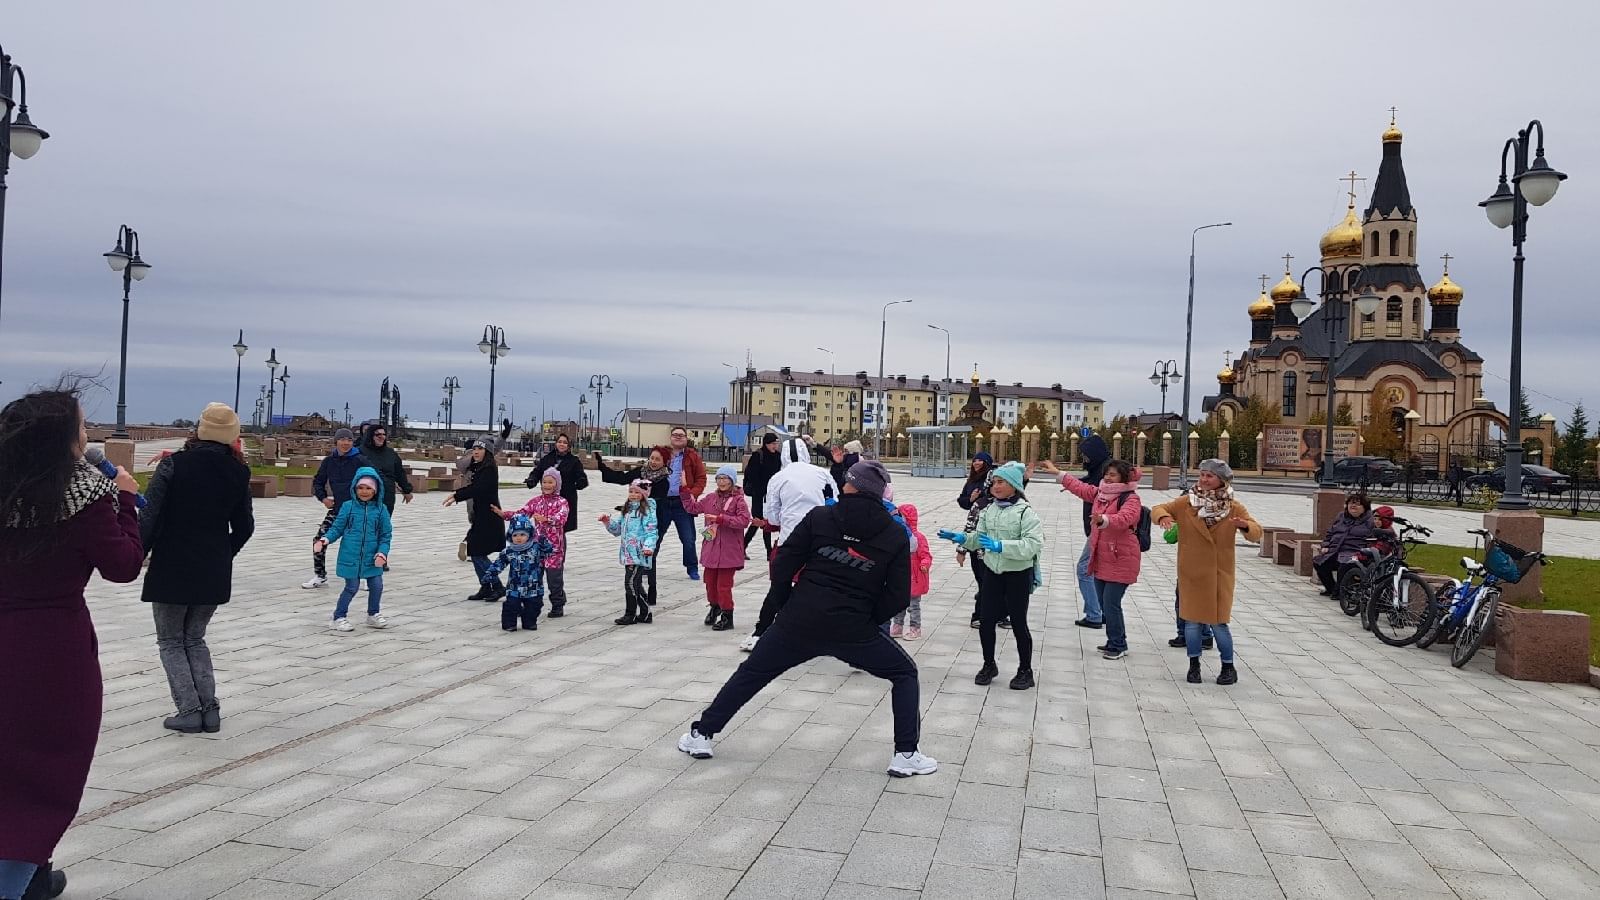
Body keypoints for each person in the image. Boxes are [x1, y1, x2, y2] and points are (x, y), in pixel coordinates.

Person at [679, 460, 938, 778]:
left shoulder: (821, 517)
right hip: (852, 628)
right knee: (905, 673)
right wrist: (865, 621)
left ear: (849, 486)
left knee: (752, 673)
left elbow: (784, 562)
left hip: (799, 620)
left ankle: (701, 735)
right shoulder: (893, 534)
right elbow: (898, 595)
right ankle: (905, 754)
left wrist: (787, 604)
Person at [0, 388, 144, 900]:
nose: (88, 437)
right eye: (83, 428)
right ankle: (17, 879)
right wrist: (126, 499)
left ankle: (35, 876)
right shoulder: (84, 494)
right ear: (61, 439)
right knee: (44, 775)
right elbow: (124, 566)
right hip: (52, 653)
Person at [137, 403, 254, 734]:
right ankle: (210, 709)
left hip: (172, 566)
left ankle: (189, 710)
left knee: (171, 640)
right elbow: (244, 527)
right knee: (195, 638)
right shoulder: (238, 473)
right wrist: (223, 554)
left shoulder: (173, 466)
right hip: (213, 570)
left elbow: (150, 518)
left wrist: (136, 554)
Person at [1150, 459, 1263, 686]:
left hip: (1219, 574)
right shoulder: (1186, 503)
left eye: (1209, 476)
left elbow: (1256, 533)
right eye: (1201, 475)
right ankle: (1194, 666)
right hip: (1192, 572)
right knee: (1191, 623)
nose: (1203, 480)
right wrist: (1163, 517)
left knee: (1219, 623)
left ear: (1222, 480)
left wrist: (1244, 526)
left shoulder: (1234, 506)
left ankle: (1228, 667)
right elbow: (1158, 508)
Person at [939, 461, 1043, 690]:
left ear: (1014, 485)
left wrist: (1001, 546)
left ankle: (1025, 670)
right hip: (992, 573)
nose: (995, 486)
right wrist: (961, 539)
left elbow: (1033, 545)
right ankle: (989, 665)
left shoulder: (1025, 512)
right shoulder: (989, 510)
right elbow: (980, 537)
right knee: (986, 621)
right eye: (994, 481)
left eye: (1001, 482)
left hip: (1017, 574)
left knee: (1018, 622)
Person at [743, 435, 834, 652]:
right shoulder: (823, 474)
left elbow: (772, 517)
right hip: (820, 541)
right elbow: (835, 504)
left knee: (779, 587)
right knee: (822, 587)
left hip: (790, 541)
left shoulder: (778, 478)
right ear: (806, 452)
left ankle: (761, 631)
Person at [1053, 459, 1143, 661]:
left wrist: (1105, 520)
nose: (1108, 478)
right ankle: (1115, 640)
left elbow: (1126, 518)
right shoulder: (1101, 494)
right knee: (1104, 602)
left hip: (1121, 558)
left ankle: (1118, 644)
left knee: (1111, 603)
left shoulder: (1131, 498)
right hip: (1102, 556)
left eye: (1113, 475)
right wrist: (1059, 474)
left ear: (1123, 477)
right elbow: (1082, 489)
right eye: (1107, 474)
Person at [314, 468, 393, 632]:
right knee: (352, 587)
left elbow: (385, 535)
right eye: (360, 487)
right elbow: (337, 528)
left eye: (368, 488)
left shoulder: (380, 509)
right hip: (351, 555)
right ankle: (339, 616)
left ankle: (373, 614)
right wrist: (325, 539)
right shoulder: (348, 507)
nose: (364, 492)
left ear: (376, 490)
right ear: (355, 488)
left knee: (377, 585)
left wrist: (382, 553)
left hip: (372, 557)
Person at [595, 446, 671, 604]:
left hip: (655, 518)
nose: (654, 462)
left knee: (651, 555)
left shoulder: (664, 479)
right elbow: (622, 478)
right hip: (637, 515)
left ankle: (651, 592)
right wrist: (603, 467)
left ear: (665, 462)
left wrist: (637, 504)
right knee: (638, 561)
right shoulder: (640, 472)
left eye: (658, 459)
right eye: (652, 458)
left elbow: (656, 501)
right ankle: (642, 596)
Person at [681, 464, 752, 631]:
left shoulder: (738, 500)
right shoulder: (711, 498)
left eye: (725, 478)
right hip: (711, 550)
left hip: (729, 551)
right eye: (719, 478)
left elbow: (744, 520)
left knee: (724, 585)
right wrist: (684, 489)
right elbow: (692, 508)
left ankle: (728, 615)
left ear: (733, 481)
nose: (722, 481)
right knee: (710, 583)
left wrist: (721, 519)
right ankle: (715, 607)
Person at [493, 470, 571, 615]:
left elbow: (562, 518)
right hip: (536, 548)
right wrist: (504, 514)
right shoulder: (536, 502)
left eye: (550, 482)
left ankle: (557, 604)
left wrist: (547, 520)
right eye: (544, 482)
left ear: (557, 484)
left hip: (554, 548)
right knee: (534, 578)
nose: (546, 485)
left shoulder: (562, 502)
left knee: (554, 579)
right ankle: (534, 604)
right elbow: (521, 514)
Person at [302, 428, 368, 589]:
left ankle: (365, 576)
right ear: (336, 441)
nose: (346, 443)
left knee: (361, 542)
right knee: (320, 539)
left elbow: (373, 480)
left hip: (358, 508)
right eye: (342, 439)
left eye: (349, 440)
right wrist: (323, 498)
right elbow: (318, 481)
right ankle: (320, 575)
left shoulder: (360, 460)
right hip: (338, 509)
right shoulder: (329, 461)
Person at [444, 440, 506, 601]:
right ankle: (486, 587)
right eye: (474, 449)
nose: (476, 452)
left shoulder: (489, 469)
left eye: (480, 449)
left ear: (487, 452)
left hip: (490, 516)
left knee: (478, 552)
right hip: (481, 515)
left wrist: (457, 495)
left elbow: (479, 489)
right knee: (474, 550)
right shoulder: (479, 467)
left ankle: (497, 586)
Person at [481, 513, 555, 632]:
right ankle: (509, 624)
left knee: (534, 606)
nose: (519, 538)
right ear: (510, 536)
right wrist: (490, 574)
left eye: (522, 534)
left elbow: (550, 551)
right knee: (511, 606)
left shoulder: (536, 547)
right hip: (514, 586)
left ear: (529, 535)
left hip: (533, 586)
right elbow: (499, 563)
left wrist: (543, 541)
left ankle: (529, 622)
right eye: (515, 535)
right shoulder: (509, 551)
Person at [601, 479, 658, 625]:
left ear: (644, 494)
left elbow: (651, 532)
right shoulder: (627, 510)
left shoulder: (647, 510)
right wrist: (607, 522)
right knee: (636, 584)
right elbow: (617, 530)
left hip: (639, 553)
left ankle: (630, 613)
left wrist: (648, 547)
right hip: (628, 553)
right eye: (631, 492)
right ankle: (645, 613)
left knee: (630, 583)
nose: (633, 495)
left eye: (637, 492)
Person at [658, 426, 706, 581]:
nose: (678, 437)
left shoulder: (692, 456)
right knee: (654, 535)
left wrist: (693, 494)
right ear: (670, 437)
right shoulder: (662, 454)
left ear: (686, 439)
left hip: (683, 503)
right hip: (663, 501)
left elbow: (701, 478)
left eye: (681, 435)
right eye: (675, 435)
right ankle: (647, 565)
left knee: (688, 538)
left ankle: (692, 568)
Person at [955, 451, 996, 629]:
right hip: (978, 548)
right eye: (975, 459)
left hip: (996, 548)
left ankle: (998, 614)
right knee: (985, 582)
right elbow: (969, 525)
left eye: (980, 460)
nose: (977, 463)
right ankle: (979, 616)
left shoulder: (1007, 505)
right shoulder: (976, 496)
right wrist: (961, 550)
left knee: (994, 583)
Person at [1313, 493, 1374, 596]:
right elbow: (1330, 532)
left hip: (1355, 553)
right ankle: (1331, 588)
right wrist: (1326, 545)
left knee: (1344, 565)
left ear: (1365, 508)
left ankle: (1340, 592)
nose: (1353, 506)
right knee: (1319, 562)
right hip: (1336, 551)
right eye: (1350, 503)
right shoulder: (1342, 516)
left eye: (1357, 504)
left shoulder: (1370, 521)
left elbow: (1377, 538)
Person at [528, 433, 588, 536]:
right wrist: (532, 479)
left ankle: (560, 551)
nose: (562, 444)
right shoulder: (547, 458)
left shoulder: (574, 461)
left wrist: (581, 482)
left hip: (565, 498)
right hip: (548, 500)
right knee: (545, 527)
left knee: (560, 529)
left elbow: (581, 476)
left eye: (565, 442)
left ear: (569, 446)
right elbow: (537, 471)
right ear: (556, 444)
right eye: (559, 442)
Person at [890, 503, 932, 640]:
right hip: (901, 577)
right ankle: (897, 626)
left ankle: (915, 628)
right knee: (898, 603)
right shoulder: (899, 535)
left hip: (915, 578)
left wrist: (925, 564)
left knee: (913, 606)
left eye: (901, 516)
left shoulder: (918, 538)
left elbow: (926, 555)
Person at [359, 424, 414, 518]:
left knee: (384, 523)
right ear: (370, 436)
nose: (381, 437)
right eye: (378, 435)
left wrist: (406, 490)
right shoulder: (360, 452)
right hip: (366, 494)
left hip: (387, 494)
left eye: (384, 434)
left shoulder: (391, 454)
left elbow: (399, 473)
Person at [741, 433, 782, 558]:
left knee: (767, 521)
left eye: (776, 443)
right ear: (766, 444)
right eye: (773, 444)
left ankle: (768, 552)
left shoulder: (778, 456)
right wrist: (760, 489)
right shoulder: (758, 455)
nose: (775, 446)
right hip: (759, 494)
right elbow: (752, 474)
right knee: (758, 521)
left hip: (771, 494)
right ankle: (743, 546)